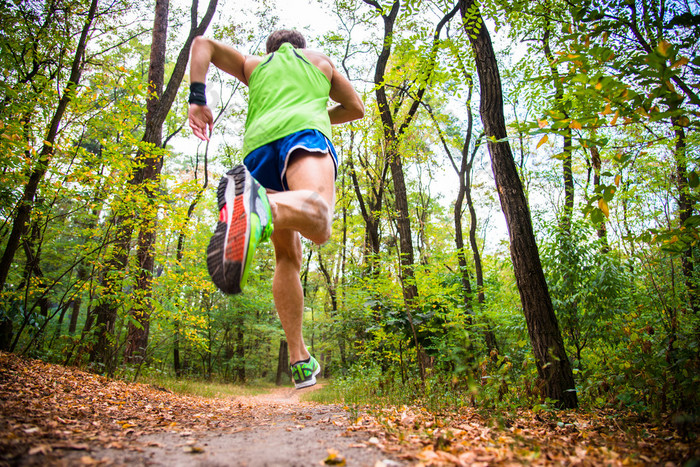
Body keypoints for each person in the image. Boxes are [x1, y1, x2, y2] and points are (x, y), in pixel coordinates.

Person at [187, 29, 364, 389]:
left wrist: (196, 99)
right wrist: (316, 111)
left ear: (269, 50)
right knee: (319, 220)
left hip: (258, 154)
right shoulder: (319, 61)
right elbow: (356, 108)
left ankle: (299, 358)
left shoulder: (254, 65)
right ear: (300, 45)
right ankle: (259, 205)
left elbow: (201, 43)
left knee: (288, 257)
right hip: (303, 136)